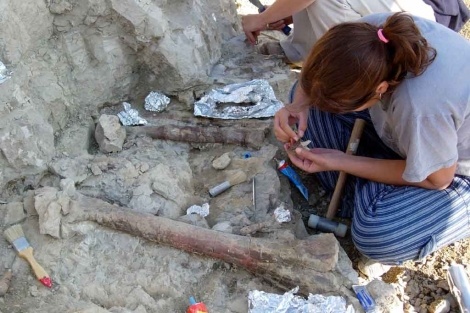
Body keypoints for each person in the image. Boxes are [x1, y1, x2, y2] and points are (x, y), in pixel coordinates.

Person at [274, 12, 470, 264]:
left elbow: (437, 179)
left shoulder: (420, 107)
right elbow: (316, 71)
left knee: (378, 232)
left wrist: (342, 162)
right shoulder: (370, 33)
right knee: (308, 101)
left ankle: (370, 190)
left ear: (380, 88)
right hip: (415, 132)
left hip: (452, 169)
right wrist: (297, 105)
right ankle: (376, 184)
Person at [242, 0, 436, 63]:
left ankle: (345, 66)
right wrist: (288, 16)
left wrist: (259, 20)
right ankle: (299, 49)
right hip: (393, 22)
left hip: (408, 37)